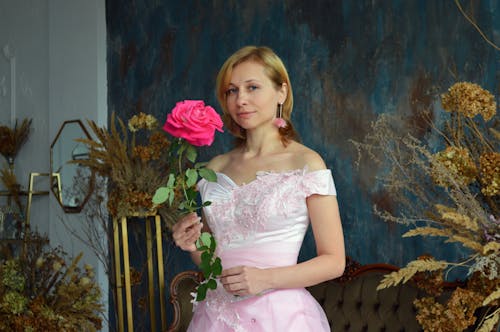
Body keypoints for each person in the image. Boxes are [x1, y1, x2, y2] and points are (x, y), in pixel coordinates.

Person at [172, 45, 345, 332]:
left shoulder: (306, 162)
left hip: (281, 318)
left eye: (253, 87)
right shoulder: (213, 169)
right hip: (217, 318)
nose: (241, 100)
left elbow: (334, 261)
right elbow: (213, 259)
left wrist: (267, 279)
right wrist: (193, 245)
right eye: (232, 91)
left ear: (281, 92)